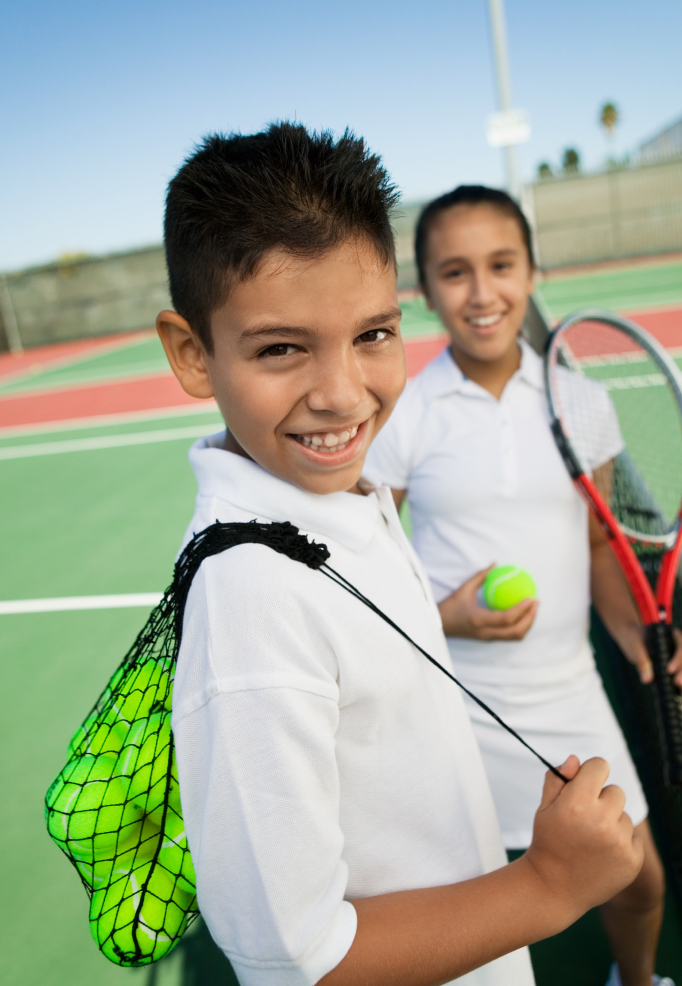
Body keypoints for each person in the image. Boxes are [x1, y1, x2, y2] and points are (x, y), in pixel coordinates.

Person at [156, 130, 643, 986]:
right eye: (280, 347)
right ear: (193, 352)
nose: (343, 393)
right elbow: (300, 961)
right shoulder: (252, 597)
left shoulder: (342, 500)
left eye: (373, 333)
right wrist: (546, 884)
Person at [364, 184, 682, 986]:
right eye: (455, 272)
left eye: (500, 265)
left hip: (570, 697)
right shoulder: (402, 411)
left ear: (531, 270)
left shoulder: (581, 400)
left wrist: (640, 649)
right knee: (469, 912)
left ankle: (635, 982)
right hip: (449, 703)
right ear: (427, 291)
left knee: (638, 879)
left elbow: (599, 549)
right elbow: (363, 569)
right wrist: (449, 619)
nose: (481, 293)